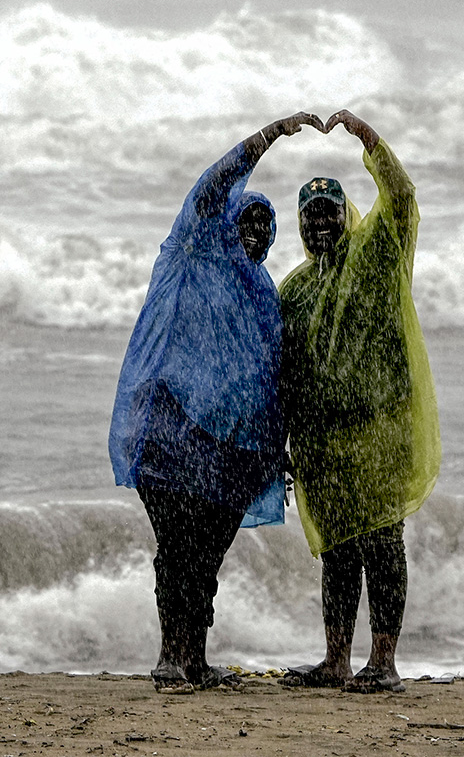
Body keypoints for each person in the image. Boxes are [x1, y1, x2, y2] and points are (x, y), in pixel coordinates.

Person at [109, 111, 325, 692]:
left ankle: (195, 660)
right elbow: (210, 190)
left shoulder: (261, 291)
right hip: (172, 427)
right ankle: (169, 657)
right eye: (246, 221)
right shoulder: (194, 250)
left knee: (206, 558)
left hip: (235, 448)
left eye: (264, 227)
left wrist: (275, 447)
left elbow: (271, 375)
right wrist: (267, 138)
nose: (254, 233)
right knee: (176, 549)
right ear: (226, 222)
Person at [278, 109, 442, 693]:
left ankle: (385, 663)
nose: (321, 222)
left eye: (329, 211)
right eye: (310, 214)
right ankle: (336, 660)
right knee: (340, 555)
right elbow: (283, 373)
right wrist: (280, 447)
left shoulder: (374, 258)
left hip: (379, 433)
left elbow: (400, 199)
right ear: (300, 224)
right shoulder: (294, 289)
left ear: (344, 215)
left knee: (382, 544)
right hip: (322, 446)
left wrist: (368, 139)